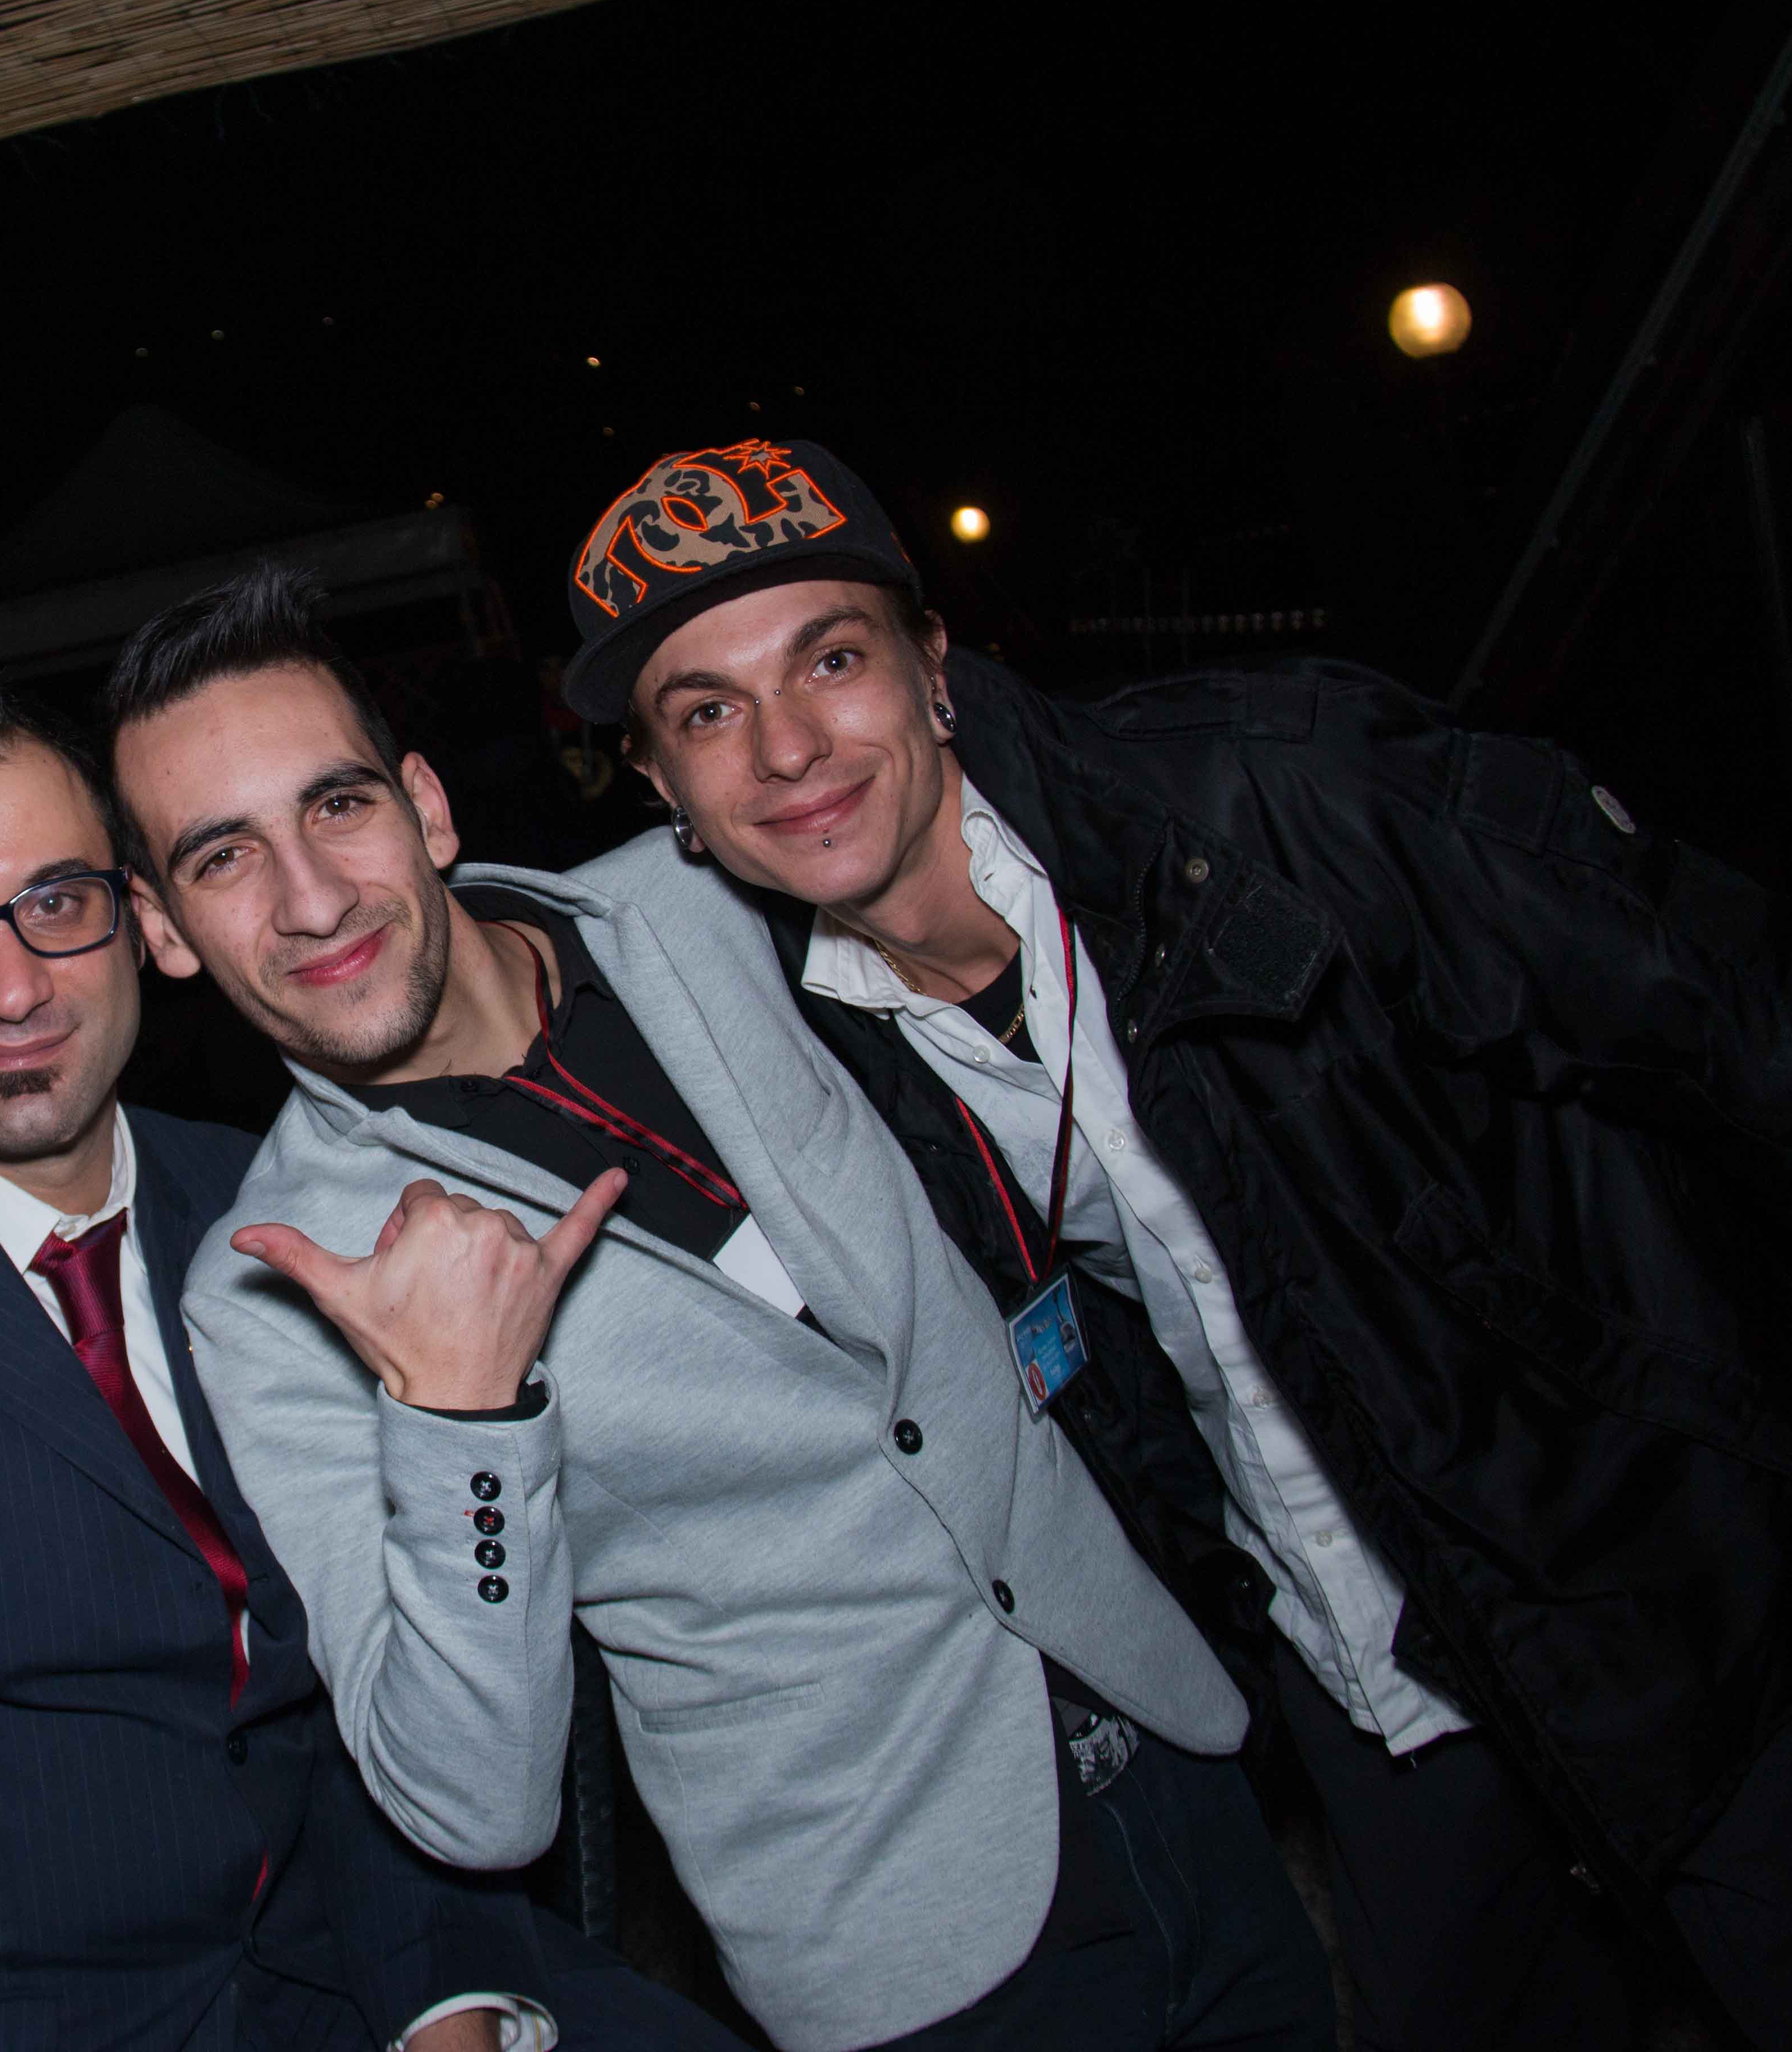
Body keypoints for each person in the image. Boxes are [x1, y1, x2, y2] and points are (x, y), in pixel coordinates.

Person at [555, 434, 1792, 2050]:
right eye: (706, 712)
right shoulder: (829, 1039)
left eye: (831, 659)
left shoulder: (1274, 796)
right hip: (1367, 1686)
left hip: (1684, 1609)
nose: (786, 747)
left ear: (935, 665)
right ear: (665, 795)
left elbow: (1775, 1030)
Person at [101, 564, 1335, 2052]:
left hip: (1177, 1738)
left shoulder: (701, 901)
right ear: (163, 929)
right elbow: (469, 1805)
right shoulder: (271, 1286)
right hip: (902, 1935)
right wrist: (459, 1420)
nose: (311, 899)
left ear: (425, 806)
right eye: (224, 859)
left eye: (339, 806)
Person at [0, 677, 730, 2051]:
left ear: (135, 916)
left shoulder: (278, 1208)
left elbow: (385, 1689)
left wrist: (445, 2002)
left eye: (57, 903)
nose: (12, 988)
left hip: (376, 1975)